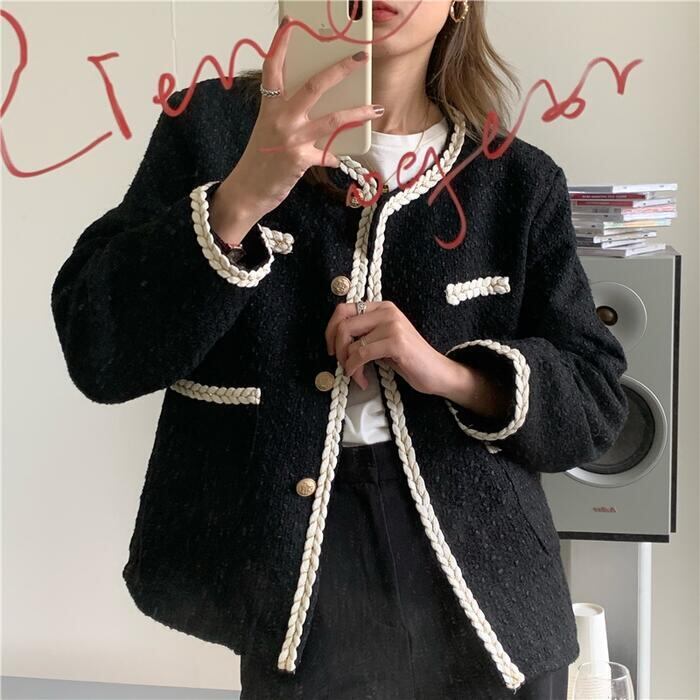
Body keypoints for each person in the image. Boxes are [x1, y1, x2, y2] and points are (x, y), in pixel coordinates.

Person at [50, 1, 629, 698]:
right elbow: (100, 348)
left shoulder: (517, 180)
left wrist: (452, 374)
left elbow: (597, 402)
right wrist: (240, 198)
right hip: (289, 559)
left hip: (489, 579)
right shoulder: (213, 129)